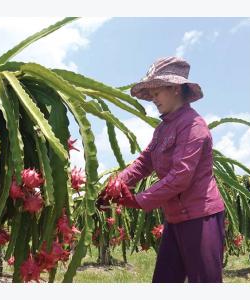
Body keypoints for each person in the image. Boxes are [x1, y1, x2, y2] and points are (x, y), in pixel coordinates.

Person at [97, 56, 225, 283]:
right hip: (175, 218)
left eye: (157, 92)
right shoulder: (163, 128)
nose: (153, 98)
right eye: (151, 93)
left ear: (175, 88)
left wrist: (139, 200)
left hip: (200, 217)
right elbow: (144, 162)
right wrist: (115, 186)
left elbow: (180, 177)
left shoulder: (194, 126)